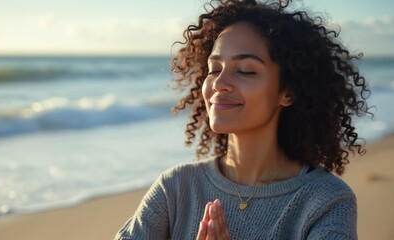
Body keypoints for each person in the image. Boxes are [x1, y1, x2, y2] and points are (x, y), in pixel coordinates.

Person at [115, 0, 371, 239]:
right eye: (214, 69)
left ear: (288, 91)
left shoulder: (327, 201)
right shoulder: (176, 189)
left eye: (245, 71)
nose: (220, 84)